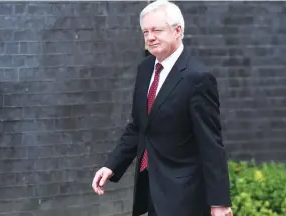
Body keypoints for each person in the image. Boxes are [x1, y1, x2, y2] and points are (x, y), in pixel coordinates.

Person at [92, 1, 233, 216]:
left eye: (157, 30)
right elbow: (139, 127)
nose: (150, 37)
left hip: (186, 196)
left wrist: (219, 202)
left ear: (178, 31)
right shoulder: (146, 68)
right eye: (146, 31)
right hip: (151, 189)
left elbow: (211, 144)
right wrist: (112, 166)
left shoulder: (197, 78)